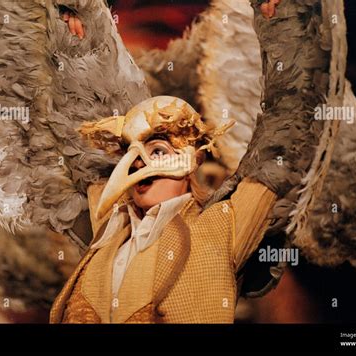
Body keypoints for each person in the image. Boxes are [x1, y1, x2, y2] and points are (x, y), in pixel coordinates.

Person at [50, 96, 277, 323]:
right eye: (130, 153)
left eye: (158, 151)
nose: (138, 163)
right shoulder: (111, 226)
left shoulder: (221, 226)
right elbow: (78, 119)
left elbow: (280, 148)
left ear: (190, 161)